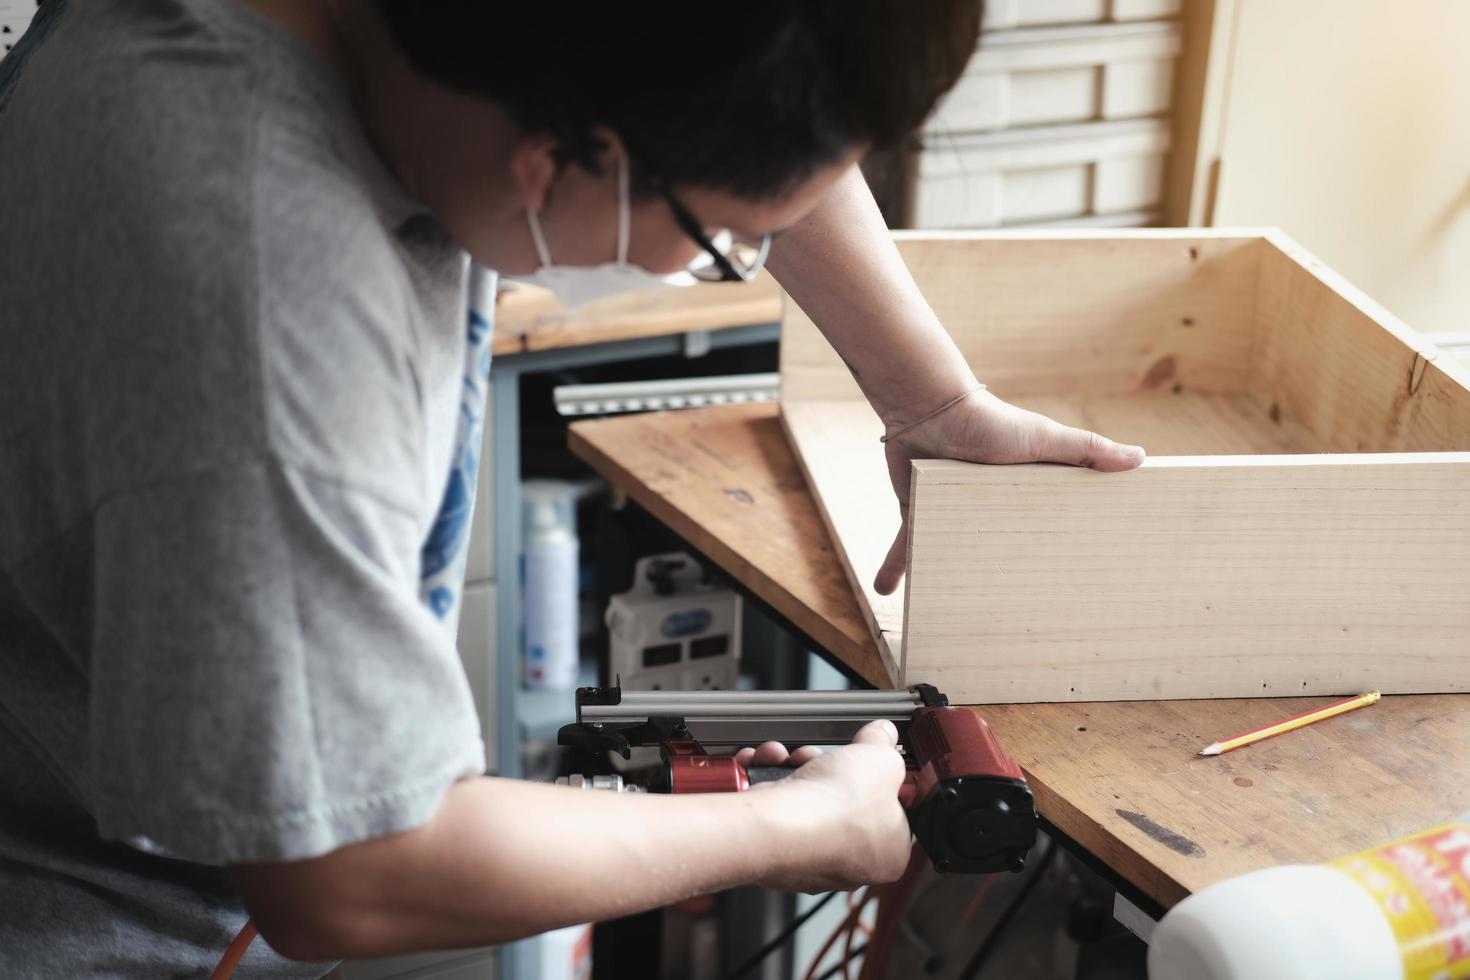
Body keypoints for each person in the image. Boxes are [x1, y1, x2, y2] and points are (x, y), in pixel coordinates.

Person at [0, 1, 1144, 975]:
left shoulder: (459, 46)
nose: (736, 257)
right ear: (550, 157)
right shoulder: (262, 323)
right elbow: (350, 871)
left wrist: (931, 400)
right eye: (727, 241)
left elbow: (759, 81)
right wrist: (790, 825)